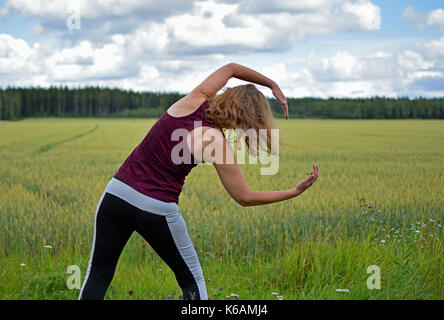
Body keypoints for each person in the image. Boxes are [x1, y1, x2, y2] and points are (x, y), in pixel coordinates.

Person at [78, 63, 319, 300]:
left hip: (116, 195)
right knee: (192, 282)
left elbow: (232, 68)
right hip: (156, 209)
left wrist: (271, 84)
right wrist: (294, 191)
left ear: (228, 96)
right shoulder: (217, 143)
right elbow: (244, 197)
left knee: (98, 276)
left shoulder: (193, 100)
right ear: (248, 120)